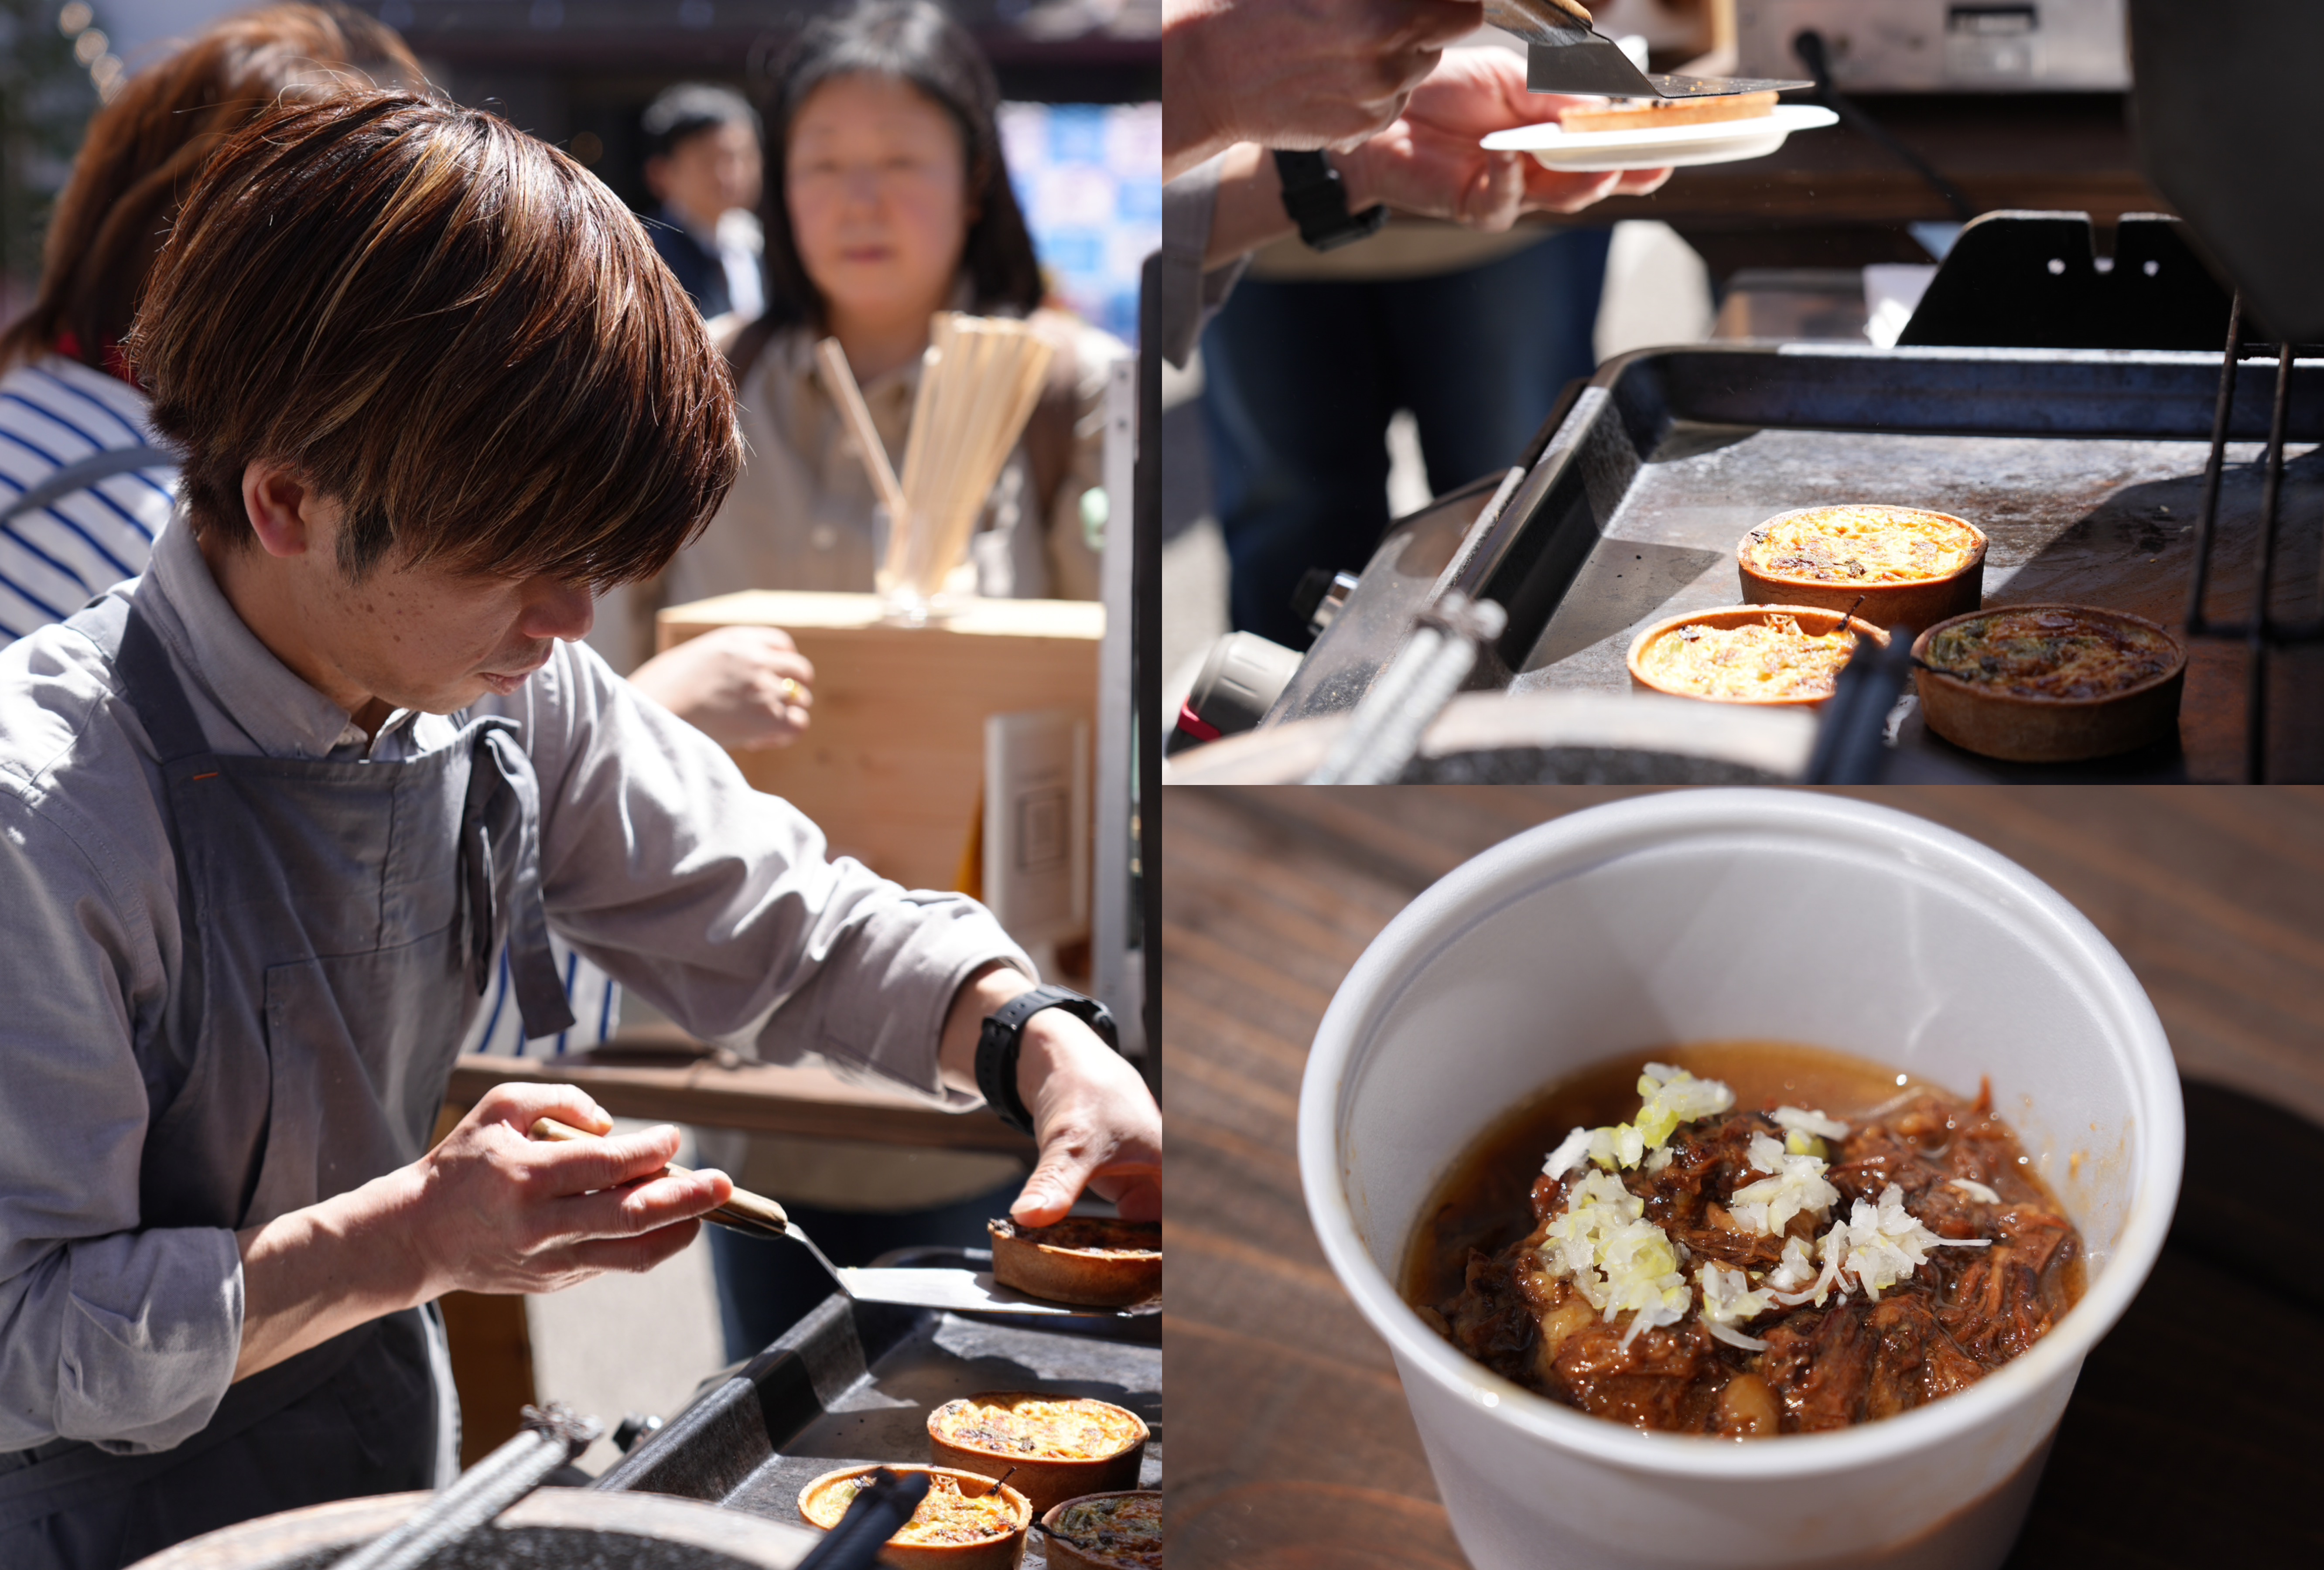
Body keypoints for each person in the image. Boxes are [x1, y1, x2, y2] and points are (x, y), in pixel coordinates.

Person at [0, 87, 1159, 1570]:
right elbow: (31, 1331)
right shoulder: (51, 819)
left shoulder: (489, 681)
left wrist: (1035, 1041)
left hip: (377, 1470)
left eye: (595, 566)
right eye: (520, 566)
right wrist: (412, 1237)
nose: (571, 625)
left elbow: (779, 920)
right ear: (286, 500)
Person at [0, 5, 812, 1059]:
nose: (426, 276)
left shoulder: (41, 423)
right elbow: (347, 998)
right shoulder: (168, 549)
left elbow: (798, 917)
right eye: (365, 235)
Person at [625, 0, 1118, 653]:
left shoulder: (1080, 392)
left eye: (901, 162)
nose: (861, 203)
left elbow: (1110, 692)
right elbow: (610, 684)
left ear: (974, 180)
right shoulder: (681, 383)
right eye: (824, 165)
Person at [640, 82, 767, 324]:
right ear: (662, 173)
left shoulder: (762, 244)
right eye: (709, 160)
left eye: (742, 156)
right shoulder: (648, 258)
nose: (730, 175)